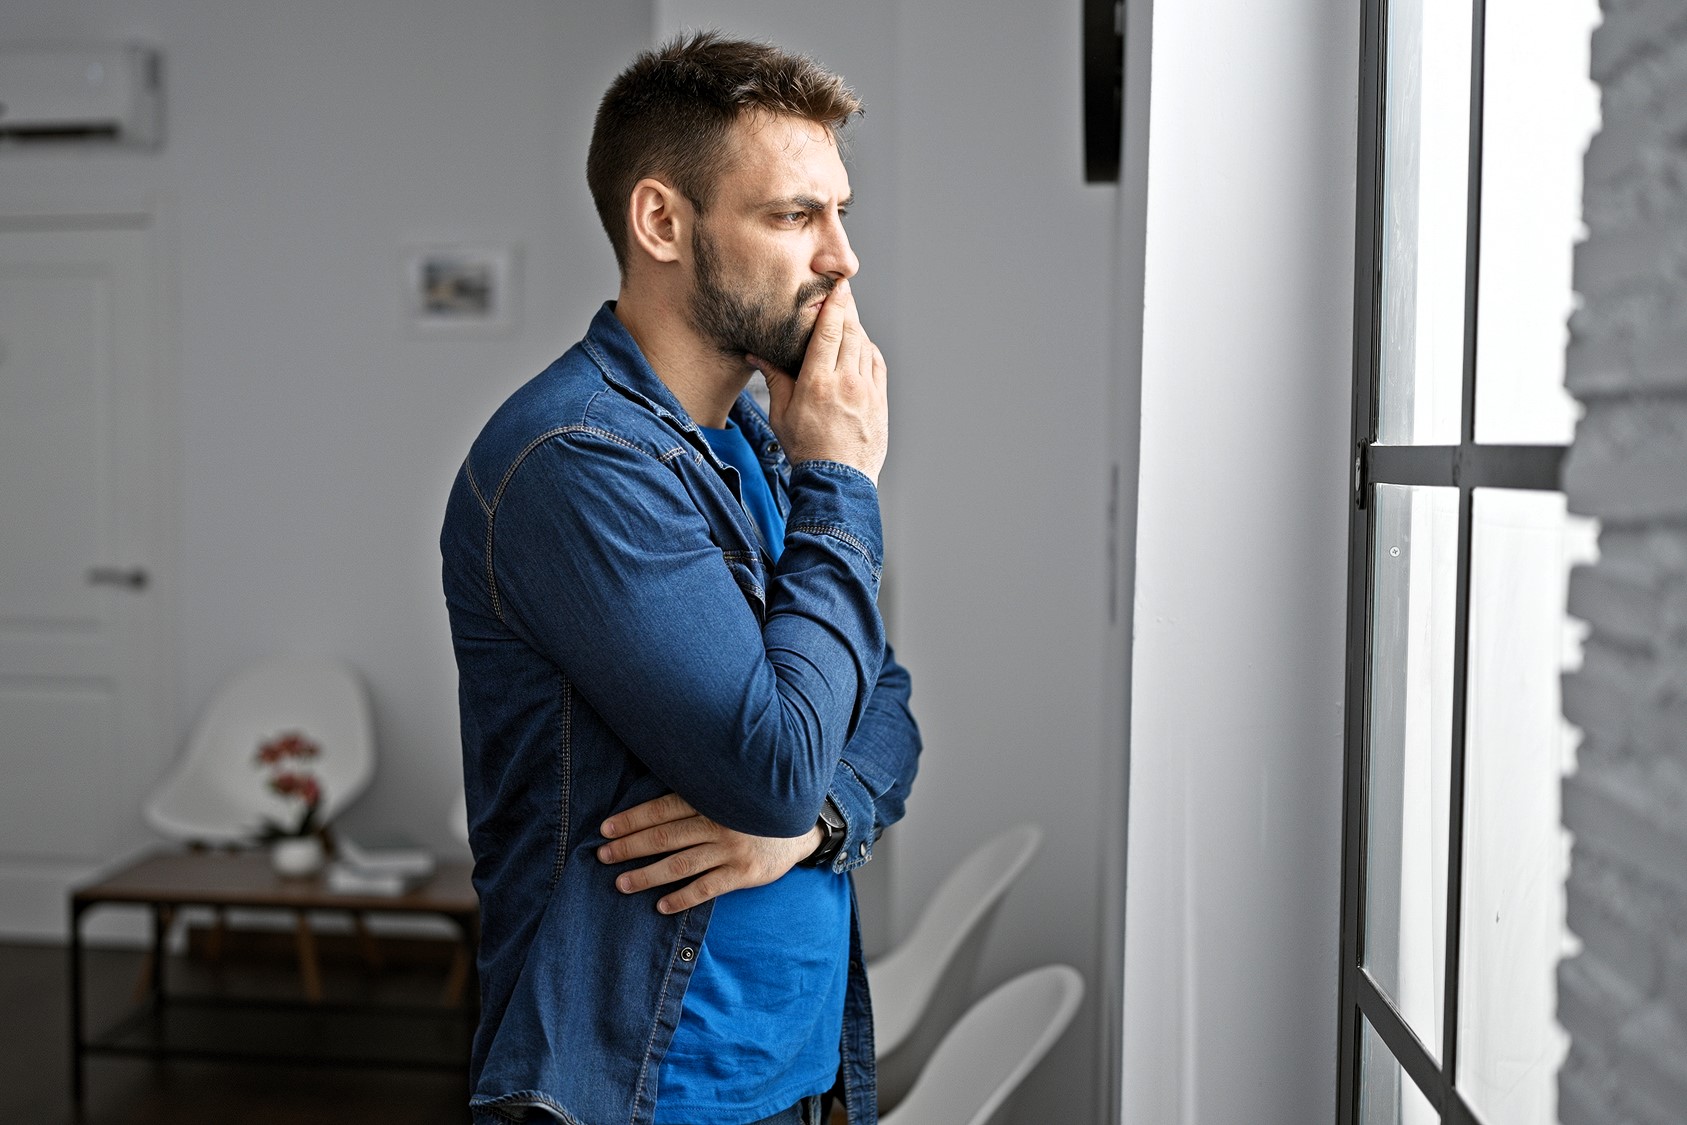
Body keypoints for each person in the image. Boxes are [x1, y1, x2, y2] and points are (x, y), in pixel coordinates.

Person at [440, 31, 921, 1125]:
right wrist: (841, 479)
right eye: (795, 216)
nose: (841, 257)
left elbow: (882, 707)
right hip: (636, 1092)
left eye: (839, 214)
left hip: (795, 1077)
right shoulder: (577, 461)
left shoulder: (755, 439)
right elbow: (775, 764)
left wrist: (813, 827)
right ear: (662, 221)